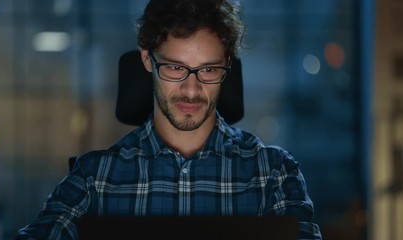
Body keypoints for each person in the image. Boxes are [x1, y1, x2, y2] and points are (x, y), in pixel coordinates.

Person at [16, 0, 322, 239]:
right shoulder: (96, 178)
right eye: (175, 69)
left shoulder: (272, 174)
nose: (192, 89)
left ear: (227, 66)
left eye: (208, 70)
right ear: (148, 60)